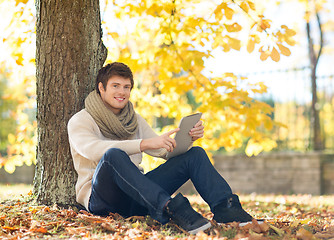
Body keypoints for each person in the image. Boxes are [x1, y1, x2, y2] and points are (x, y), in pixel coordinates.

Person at [67, 62, 256, 234]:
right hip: (103, 200)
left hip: (138, 197)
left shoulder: (133, 120)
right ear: (101, 88)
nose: (122, 92)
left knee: (195, 154)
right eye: (115, 86)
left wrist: (187, 139)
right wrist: (144, 144)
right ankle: (172, 208)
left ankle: (226, 209)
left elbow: (164, 152)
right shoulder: (81, 120)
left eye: (126, 87)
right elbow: (92, 150)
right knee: (112, 156)